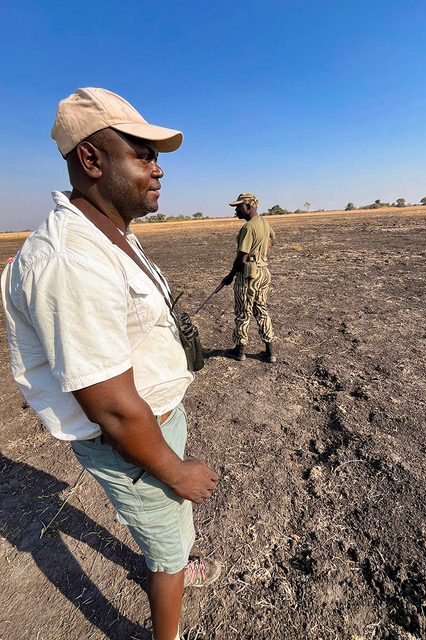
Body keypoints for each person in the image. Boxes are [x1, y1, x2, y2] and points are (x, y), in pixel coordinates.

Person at [1, 87, 220, 640]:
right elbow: (114, 411)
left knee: (168, 526)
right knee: (167, 544)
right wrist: (177, 472)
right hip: (131, 438)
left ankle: (171, 557)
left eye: (158, 157)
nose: (158, 169)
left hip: (154, 422)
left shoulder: (110, 231)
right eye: (142, 153)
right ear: (91, 159)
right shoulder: (72, 259)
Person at [217, 193, 276, 363]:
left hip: (248, 275)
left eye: (239, 206)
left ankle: (240, 350)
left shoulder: (248, 228)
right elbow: (273, 239)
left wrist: (229, 277)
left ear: (249, 206)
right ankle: (270, 351)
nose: (236, 210)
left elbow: (241, 259)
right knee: (262, 310)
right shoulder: (265, 222)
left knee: (243, 313)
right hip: (263, 273)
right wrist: (261, 252)